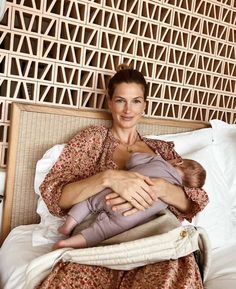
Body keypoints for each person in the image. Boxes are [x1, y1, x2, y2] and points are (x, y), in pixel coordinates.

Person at [39, 64, 209, 289]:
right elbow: (57, 196)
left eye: (136, 101)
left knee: (170, 278)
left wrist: (161, 188)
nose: (128, 109)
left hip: (155, 239)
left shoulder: (162, 151)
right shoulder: (92, 140)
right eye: (120, 100)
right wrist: (108, 178)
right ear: (110, 103)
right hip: (101, 239)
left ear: (144, 106)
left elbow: (192, 202)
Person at [53, 153, 206, 249]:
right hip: (128, 218)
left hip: (110, 195)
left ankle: (67, 226)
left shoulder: (159, 158)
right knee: (102, 232)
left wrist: (165, 187)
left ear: (178, 162)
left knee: (89, 202)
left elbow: (133, 159)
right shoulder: (172, 196)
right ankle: (68, 244)